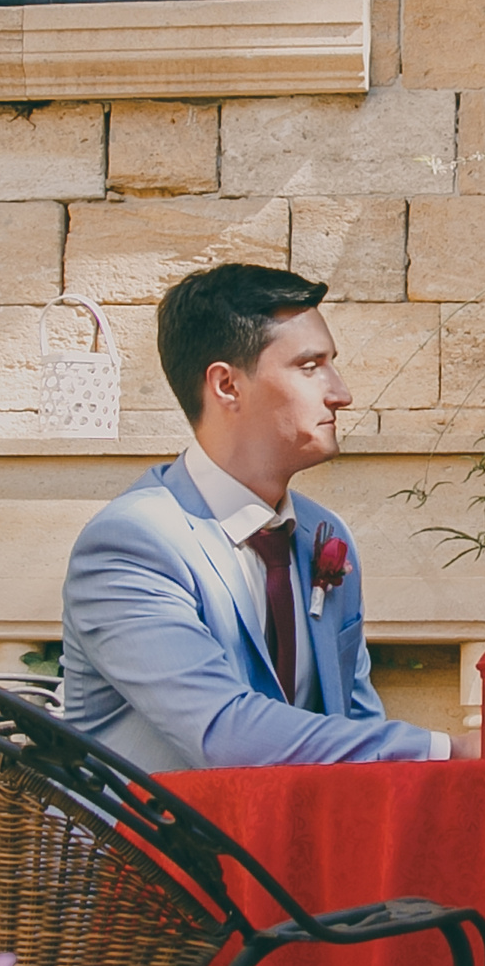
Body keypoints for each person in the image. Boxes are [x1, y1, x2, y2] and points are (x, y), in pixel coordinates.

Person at [58, 265, 449, 773]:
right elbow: (224, 735)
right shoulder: (132, 542)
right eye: (310, 367)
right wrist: (446, 748)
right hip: (149, 849)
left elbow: (355, 725)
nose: (341, 393)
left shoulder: (325, 536)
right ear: (226, 386)